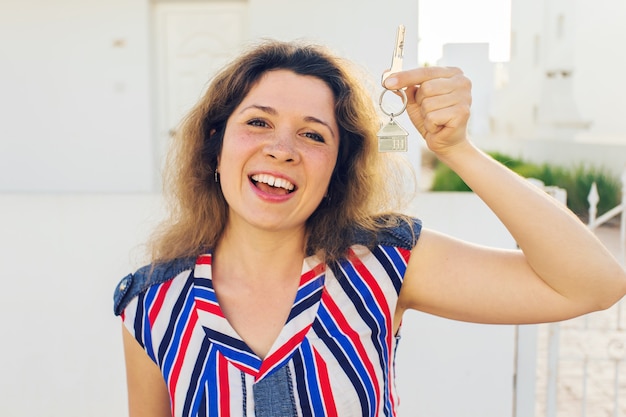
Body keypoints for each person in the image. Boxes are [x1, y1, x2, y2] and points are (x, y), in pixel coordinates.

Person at [113, 40, 626, 417]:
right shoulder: (151, 303)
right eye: (258, 122)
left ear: (339, 167)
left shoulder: (383, 263)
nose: (282, 149)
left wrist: (455, 150)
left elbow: (595, 284)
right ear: (214, 143)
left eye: (313, 134)